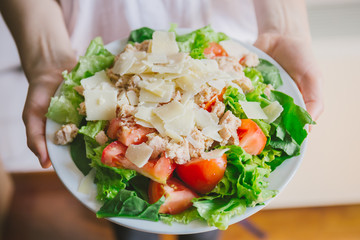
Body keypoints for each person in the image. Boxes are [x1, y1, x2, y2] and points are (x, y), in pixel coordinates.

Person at [0, 0, 324, 239]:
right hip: (117, 63)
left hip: (223, 56)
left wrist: (285, 27)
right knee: (131, 223)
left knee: (207, 223)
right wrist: (47, 58)